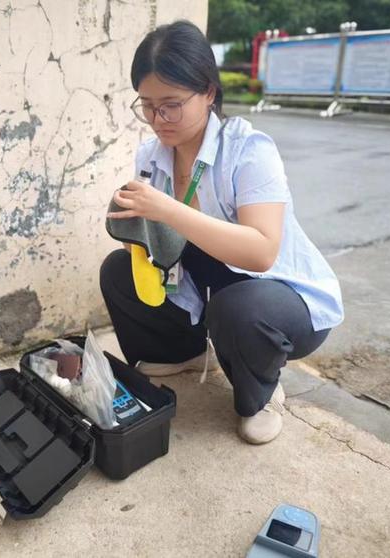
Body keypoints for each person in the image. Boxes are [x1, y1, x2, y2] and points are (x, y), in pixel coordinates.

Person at [100, 20, 344, 445]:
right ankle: (183, 354)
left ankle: (262, 394)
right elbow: (160, 236)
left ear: (209, 92)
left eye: (172, 104)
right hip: (206, 276)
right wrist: (134, 224)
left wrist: (168, 209)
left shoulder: (249, 150)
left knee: (238, 309)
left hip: (275, 294)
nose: (158, 119)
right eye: (147, 104)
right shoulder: (152, 154)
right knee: (119, 272)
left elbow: (262, 251)